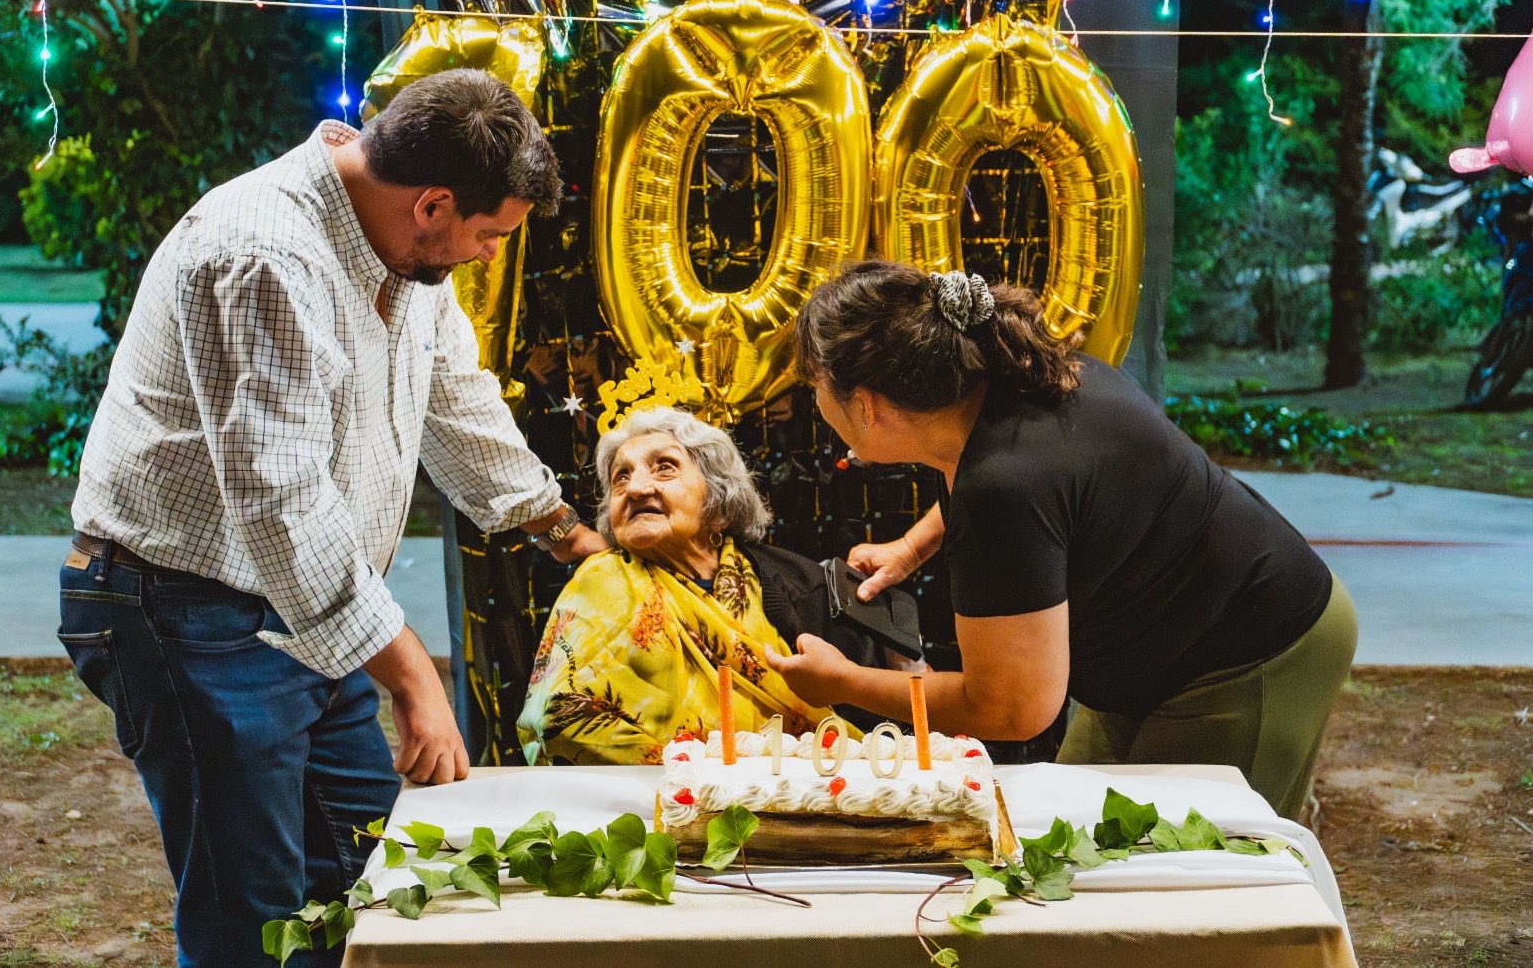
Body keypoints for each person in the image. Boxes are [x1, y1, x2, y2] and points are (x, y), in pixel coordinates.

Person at [59, 68, 606, 967]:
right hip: (184, 611)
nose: (489, 255)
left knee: (365, 884)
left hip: (305, 611)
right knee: (253, 921)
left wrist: (564, 532)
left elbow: (453, 395)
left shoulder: (405, 247)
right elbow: (280, 503)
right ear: (433, 204)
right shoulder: (262, 255)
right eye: (491, 235)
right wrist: (412, 676)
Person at [768, 261, 1358, 818]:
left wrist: (845, 683)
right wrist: (913, 546)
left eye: (816, 387)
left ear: (866, 406)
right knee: (1068, 831)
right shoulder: (1009, 382)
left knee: (1182, 868)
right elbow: (1046, 493)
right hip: (1152, 649)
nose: (814, 403)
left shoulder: (1004, 484)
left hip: (1251, 649)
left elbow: (1012, 709)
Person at [518, 407, 907, 764]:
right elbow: (560, 718)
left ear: (718, 505)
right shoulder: (602, 579)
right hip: (665, 803)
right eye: (622, 476)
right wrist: (698, 779)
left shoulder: (796, 584)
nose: (635, 489)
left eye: (664, 468)